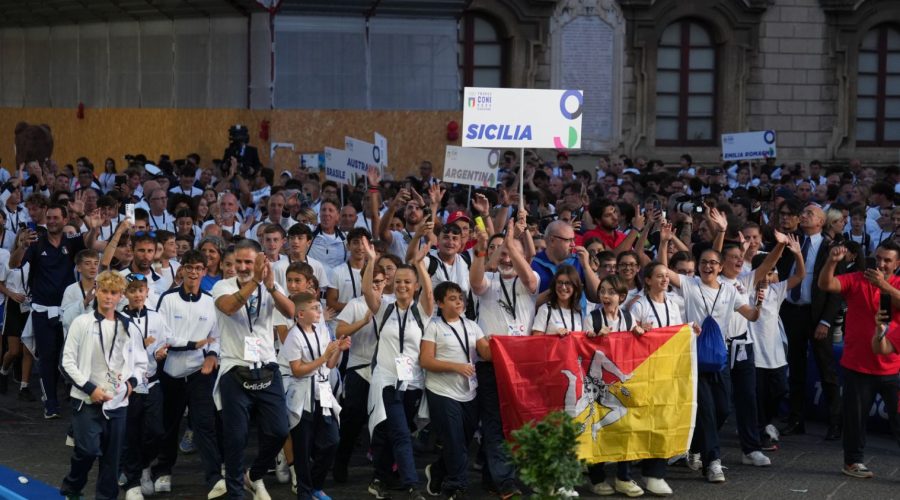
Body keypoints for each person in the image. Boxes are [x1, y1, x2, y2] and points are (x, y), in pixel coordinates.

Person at [661, 248, 762, 483]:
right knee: (706, 409)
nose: (708, 267)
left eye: (713, 263)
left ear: (720, 267)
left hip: (719, 357)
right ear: (698, 266)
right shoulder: (690, 284)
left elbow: (752, 315)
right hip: (694, 357)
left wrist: (759, 303)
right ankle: (713, 462)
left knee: (723, 408)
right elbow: (665, 271)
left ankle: (695, 446)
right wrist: (665, 243)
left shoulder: (729, 290)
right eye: (704, 262)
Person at [212, 239, 294, 499]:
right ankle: (236, 493)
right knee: (236, 438)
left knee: (280, 430)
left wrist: (270, 287)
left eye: (249, 262)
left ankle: (254, 475)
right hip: (234, 367)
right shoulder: (221, 286)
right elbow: (229, 307)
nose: (244, 267)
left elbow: (291, 312)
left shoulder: (269, 284)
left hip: (267, 365)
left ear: (260, 261)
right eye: (239, 262)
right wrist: (256, 282)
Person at [59, 271, 147, 500]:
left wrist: (131, 384)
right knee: (86, 451)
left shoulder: (129, 326)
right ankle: (72, 487)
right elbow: (66, 362)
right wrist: (90, 389)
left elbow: (141, 362)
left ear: (121, 297)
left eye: (114, 293)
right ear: (96, 291)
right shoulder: (81, 323)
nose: (108, 297)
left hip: (118, 402)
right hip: (86, 400)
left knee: (112, 460)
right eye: (105, 291)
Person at [10, 198, 100, 419]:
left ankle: (78, 396)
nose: (51, 221)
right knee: (48, 358)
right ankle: (51, 402)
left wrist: (84, 218)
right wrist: (22, 246)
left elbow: (91, 241)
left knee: (73, 357)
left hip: (71, 310)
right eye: (48, 218)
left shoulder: (72, 240)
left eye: (56, 218)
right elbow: (14, 264)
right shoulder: (36, 242)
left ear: (65, 219)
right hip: (42, 312)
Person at [361, 228, 434, 500]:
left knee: (395, 433)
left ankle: (381, 476)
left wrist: (419, 265)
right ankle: (412, 485)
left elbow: (428, 292)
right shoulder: (385, 307)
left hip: (413, 381)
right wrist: (371, 261)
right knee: (400, 433)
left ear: (414, 285)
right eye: (399, 281)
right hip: (387, 380)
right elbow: (367, 291)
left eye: (407, 282)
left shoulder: (422, 311)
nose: (402, 285)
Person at [819, 241, 900, 478]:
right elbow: (825, 284)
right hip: (857, 365)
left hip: (892, 367)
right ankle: (852, 462)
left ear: (897, 264)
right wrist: (832, 261)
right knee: (855, 419)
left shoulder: (895, 284)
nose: (882, 264)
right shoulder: (855, 279)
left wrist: (883, 285)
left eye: (888, 260)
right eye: (879, 258)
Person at [153, 250, 225, 497]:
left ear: (204, 271)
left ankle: (214, 477)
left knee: (205, 424)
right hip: (170, 372)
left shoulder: (210, 301)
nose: (194, 273)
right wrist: (194, 344)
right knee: (168, 425)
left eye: (198, 268)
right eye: (189, 267)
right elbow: (163, 336)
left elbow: (216, 338)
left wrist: (213, 355)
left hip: (199, 372)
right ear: (181, 269)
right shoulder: (167, 298)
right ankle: (163, 470)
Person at [777, 205, 843, 440]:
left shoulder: (830, 248)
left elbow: (836, 291)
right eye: (802, 212)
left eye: (809, 214)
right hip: (793, 312)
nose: (803, 216)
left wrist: (826, 321)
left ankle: (836, 422)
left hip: (817, 315)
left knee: (826, 368)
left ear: (821, 221)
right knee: (795, 368)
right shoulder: (790, 243)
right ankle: (796, 419)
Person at [421, 281, 491, 498]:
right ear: (440, 303)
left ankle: (437, 469)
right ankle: (456, 486)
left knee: (461, 441)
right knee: (453, 440)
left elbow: (487, 354)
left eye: (460, 298)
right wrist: (456, 367)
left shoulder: (472, 325)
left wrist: (501, 343)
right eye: (452, 298)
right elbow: (425, 360)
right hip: (441, 391)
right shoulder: (434, 326)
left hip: (469, 393)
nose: (459, 302)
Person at [280, 292, 350, 500]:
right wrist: (324, 356)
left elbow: (330, 365)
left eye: (319, 307)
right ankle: (304, 491)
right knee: (303, 447)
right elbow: (297, 370)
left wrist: (338, 350)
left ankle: (314, 486)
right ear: (301, 314)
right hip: (302, 394)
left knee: (332, 441)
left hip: (323, 391)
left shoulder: (322, 330)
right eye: (314, 308)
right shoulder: (293, 336)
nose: (320, 311)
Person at [332, 262, 389, 483]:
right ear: (362, 283)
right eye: (370, 282)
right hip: (359, 367)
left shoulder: (392, 304)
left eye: (378, 281)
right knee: (352, 420)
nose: (375, 286)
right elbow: (339, 331)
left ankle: (382, 471)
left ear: (385, 282)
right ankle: (341, 462)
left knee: (383, 422)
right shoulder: (355, 304)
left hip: (385, 370)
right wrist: (362, 322)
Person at [120, 273, 170, 499]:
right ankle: (132, 482)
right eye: (133, 290)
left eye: (141, 290)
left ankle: (144, 466)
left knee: (156, 431)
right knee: (130, 432)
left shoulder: (156, 317)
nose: (138, 294)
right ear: (125, 293)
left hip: (152, 382)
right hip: (129, 385)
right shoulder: (119, 318)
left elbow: (164, 341)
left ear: (147, 292)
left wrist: (161, 351)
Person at [532, 265, 585, 335]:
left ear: (575, 286)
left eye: (568, 283)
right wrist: (554, 336)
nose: (563, 287)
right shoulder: (545, 310)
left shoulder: (579, 312)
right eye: (560, 282)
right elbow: (536, 341)